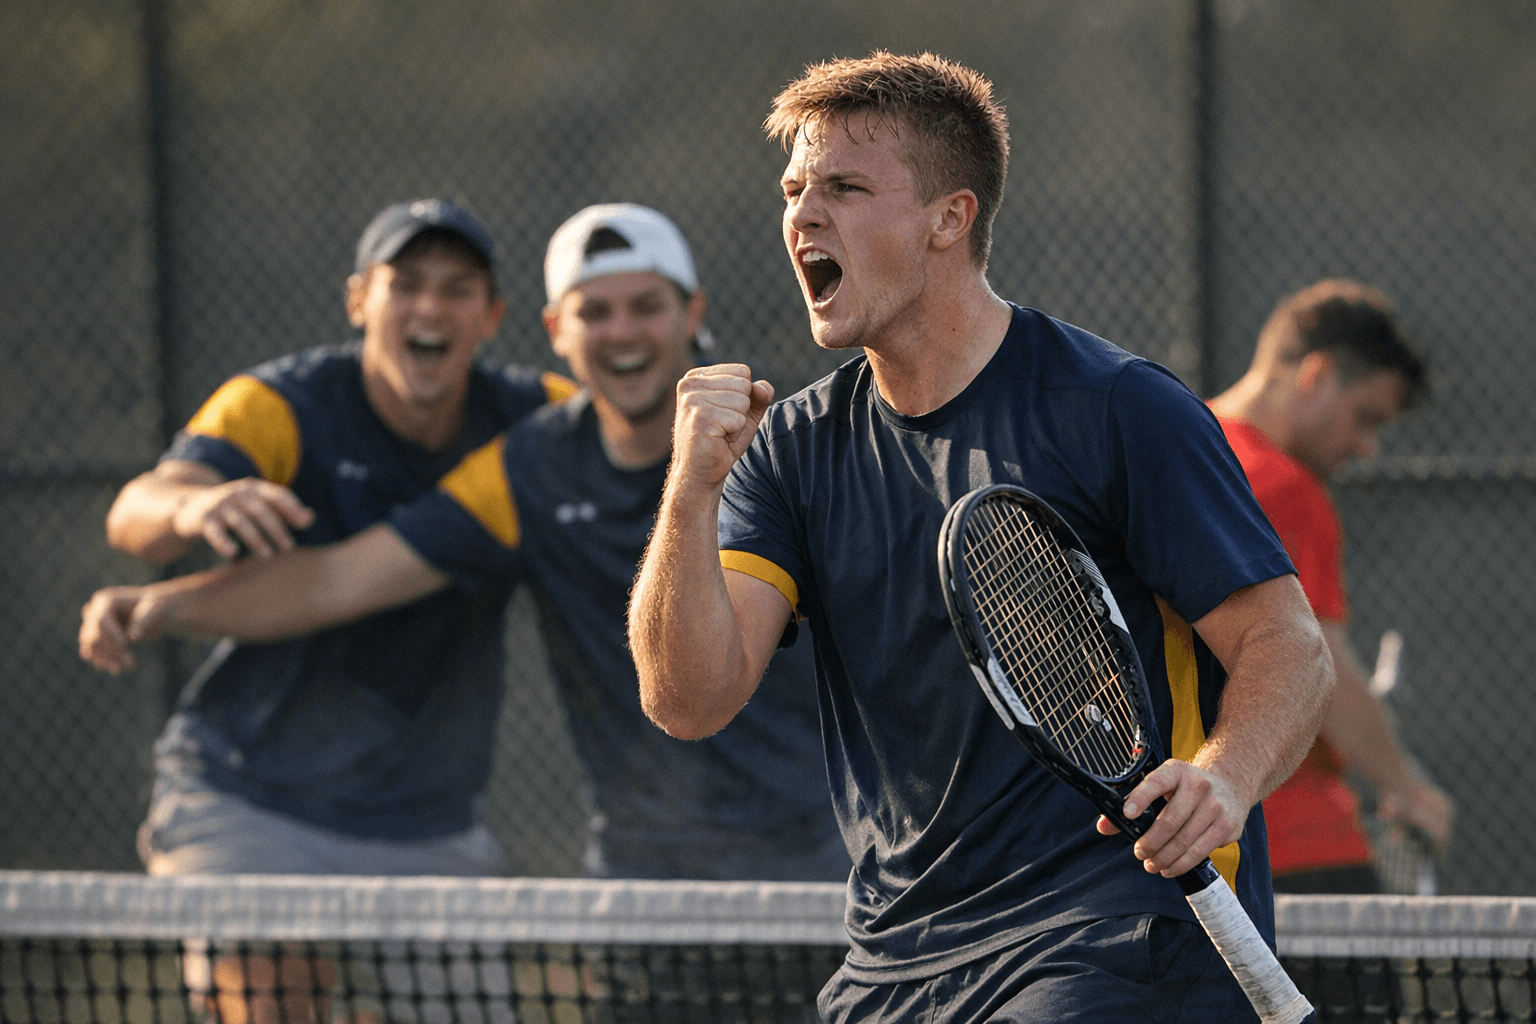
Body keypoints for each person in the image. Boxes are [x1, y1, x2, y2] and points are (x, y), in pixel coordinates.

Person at [626, 52, 1334, 1022]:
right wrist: (689, 492)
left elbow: (1286, 643)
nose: (803, 216)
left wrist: (1225, 777)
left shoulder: (1116, 407)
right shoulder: (790, 448)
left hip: (1115, 934)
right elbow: (687, 699)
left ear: (949, 218)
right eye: (793, 191)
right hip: (895, 960)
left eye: (843, 188)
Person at [82, 203, 848, 883]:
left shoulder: (785, 442)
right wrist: (162, 600)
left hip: (823, 846)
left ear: (692, 313)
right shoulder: (531, 459)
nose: (621, 332)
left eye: (645, 306)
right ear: (556, 331)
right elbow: (334, 579)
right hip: (631, 863)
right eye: (594, 312)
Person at [1208, 279, 1452, 894]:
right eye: (1365, 418)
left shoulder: (1184, 453)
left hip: (1193, 840)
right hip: (1296, 841)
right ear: (1315, 374)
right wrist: (1407, 788)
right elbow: (1322, 665)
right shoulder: (1284, 486)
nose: (1367, 447)